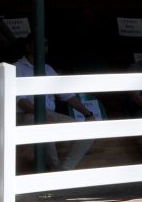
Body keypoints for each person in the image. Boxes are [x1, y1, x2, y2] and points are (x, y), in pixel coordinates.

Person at [15, 36, 97, 171]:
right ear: (28, 47)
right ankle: (55, 168)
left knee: (89, 131)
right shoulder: (17, 68)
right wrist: (42, 115)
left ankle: (64, 170)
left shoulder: (47, 68)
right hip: (26, 114)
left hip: (50, 114)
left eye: (45, 44)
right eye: (39, 44)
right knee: (45, 124)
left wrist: (88, 114)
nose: (43, 48)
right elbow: (21, 100)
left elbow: (66, 94)